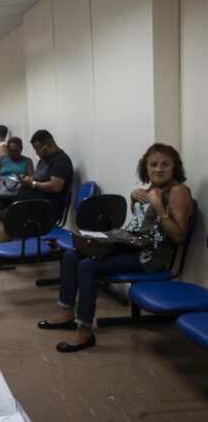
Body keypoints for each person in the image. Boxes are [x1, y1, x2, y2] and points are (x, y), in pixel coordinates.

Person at [38, 143, 193, 352]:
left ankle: (84, 331)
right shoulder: (153, 190)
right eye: (153, 164)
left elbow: (179, 235)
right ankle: (67, 313)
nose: (158, 169)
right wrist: (134, 198)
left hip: (152, 257)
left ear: (175, 167)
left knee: (87, 266)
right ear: (145, 167)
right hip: (131, 246)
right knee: (71, 255)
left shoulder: (179, 191)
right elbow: (141, 223)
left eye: (165, 164)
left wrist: (157, 206)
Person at [0, 130, 73, 241]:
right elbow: (39, 179)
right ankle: (16, 248)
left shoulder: (60, 160)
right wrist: (27, 180)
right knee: (1, 212)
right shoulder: (45, 159)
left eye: (38, 149)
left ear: (49, 145)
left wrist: (32, 184)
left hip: (44, 208)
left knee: (1, 220)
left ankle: (10, 251)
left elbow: (56, 186)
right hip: (33, 203)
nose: (36, 153)